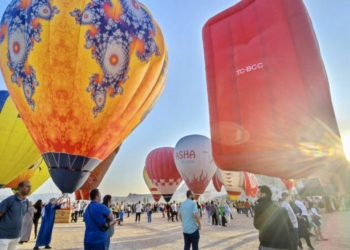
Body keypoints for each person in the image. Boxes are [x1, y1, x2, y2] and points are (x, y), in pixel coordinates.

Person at [254, 185, 293, 250]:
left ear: (263, 194)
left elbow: (257, 225)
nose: (257, 194)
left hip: (269, 244)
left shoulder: (259, 206)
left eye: (258, 192)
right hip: (286, 244)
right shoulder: (280, 208)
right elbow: (291, 227)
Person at [0, 181, 31, 250]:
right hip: (3, 236)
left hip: (16, 236)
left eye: (30, 187)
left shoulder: (26, 201)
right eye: (27, 186)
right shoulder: (10, 200)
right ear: (20, 187)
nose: (29, 188)